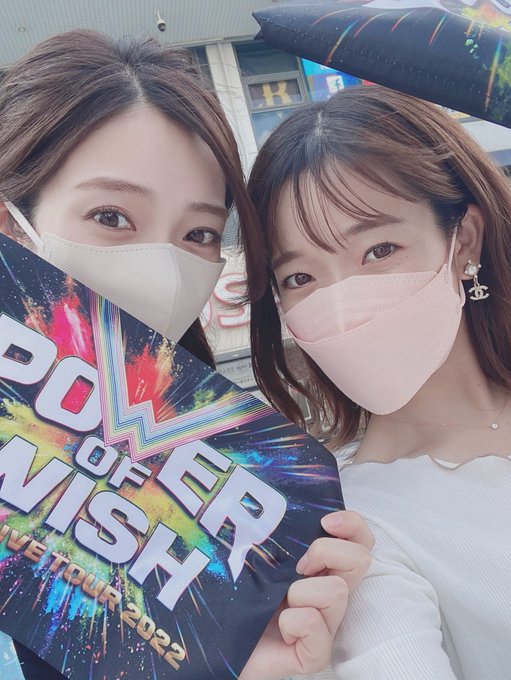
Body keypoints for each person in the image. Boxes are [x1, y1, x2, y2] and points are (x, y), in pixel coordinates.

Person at [0, 31, 373, 680]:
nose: (166, 269)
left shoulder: (217, 505)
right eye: (111, 216)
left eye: (199, 233)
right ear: (12, 225)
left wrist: (238, 663)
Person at [246, 84, 511, 679]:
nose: (343, 302)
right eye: (300, 278)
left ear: (464, 241)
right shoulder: (351, 528)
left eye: (379, 249)